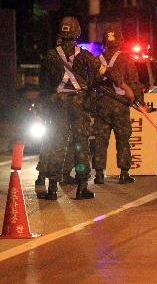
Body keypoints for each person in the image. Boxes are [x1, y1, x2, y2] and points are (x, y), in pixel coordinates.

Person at [37, 17, 134, 200]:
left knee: (57, 144)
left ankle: (52, 189)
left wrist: (46, 104)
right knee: (81, 144)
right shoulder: (84, 55)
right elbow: (104, 72)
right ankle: (82, 187)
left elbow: (44, 86)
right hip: (79, 104)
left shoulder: (50, 56)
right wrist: (123, 86)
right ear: (76, 33)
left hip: (58, 105)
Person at [92, 26, 144, 185]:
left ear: (104, 42)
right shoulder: (126, 59)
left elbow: (90, 82)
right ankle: (124, 173)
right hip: (120, 106)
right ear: (120, 41)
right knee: (123, 140)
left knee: (101, 140)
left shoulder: (96, 59)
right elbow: (134, 82)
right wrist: (140, 101)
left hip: (101, 105)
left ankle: (99, 174)